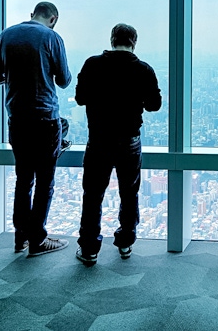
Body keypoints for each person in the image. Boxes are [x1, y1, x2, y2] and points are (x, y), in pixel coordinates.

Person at [0, 1, 72, 257]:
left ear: (31, 15)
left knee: (24, 179)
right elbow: (64, 79)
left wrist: (17, 75)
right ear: (53, 18)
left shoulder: (5, 36)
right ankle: (38, 239)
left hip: (17, 118)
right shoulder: (52, 37)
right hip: (45, 118)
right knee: (45, 181)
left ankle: (21, 237)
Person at [75, 23, 162, 265]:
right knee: (129, 192)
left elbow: (80, 97)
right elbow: (155, 105)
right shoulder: (144, 69)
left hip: (99, 139)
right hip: (129, 140)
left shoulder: (92, 64)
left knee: (93, 194)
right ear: (134, 42)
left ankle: (90, 248)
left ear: (112, 39)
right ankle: (125, 242)